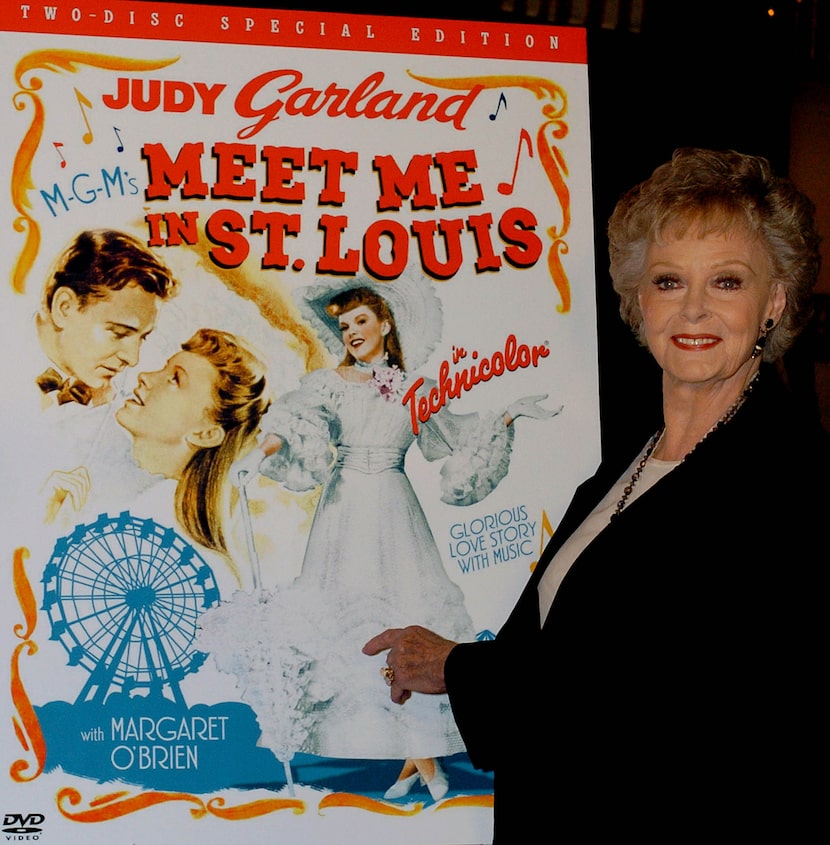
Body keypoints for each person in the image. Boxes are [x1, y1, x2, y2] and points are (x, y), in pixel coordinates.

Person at [364, 148, 829, 838]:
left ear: (776, 302)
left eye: (728, 281)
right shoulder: (630, 460)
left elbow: (645, 696)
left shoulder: (788, 479)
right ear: (639, 302)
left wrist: (457, 666)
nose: (694, 308)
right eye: (669, 281)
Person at [208, 271, 560, 800]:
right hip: (345, 509)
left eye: (361, 321)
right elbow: (298, 424)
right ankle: (408, 759)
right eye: (345, 325)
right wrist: (260, 455)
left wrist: (507, 415)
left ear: (385, 322)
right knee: (348, 621)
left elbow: (455, 442)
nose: (351, 332)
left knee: (408, 619)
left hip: (396, 512)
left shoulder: (415, 390)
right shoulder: (328, 386)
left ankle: (417, 759)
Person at [116, 327, 270, 592]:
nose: (145, 377)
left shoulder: (197, 567)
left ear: (206, 433)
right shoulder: (111, 483)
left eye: (175, 379)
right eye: (164, 369)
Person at [36, 229, 177, 408]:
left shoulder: (115, 397)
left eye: (143, 337)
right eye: (118, 333)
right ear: (65, 307)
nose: (133, 359)